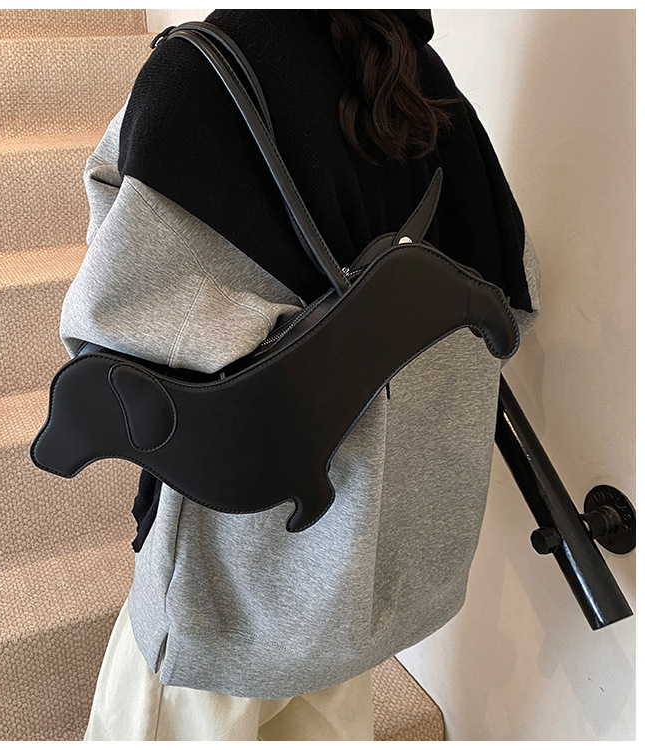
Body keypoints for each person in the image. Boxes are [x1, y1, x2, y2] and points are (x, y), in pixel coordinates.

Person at [59, 9, 541, 741]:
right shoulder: (423, 82)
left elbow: (113, 321)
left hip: (237, 579)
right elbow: (513, 306)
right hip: (366, 570)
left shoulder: (207, 72)